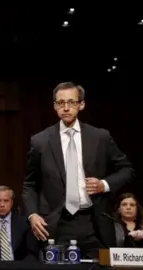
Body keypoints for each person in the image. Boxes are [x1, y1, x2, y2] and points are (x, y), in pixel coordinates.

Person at [22, 82, 135, 259]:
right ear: (54, 106)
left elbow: (127, 170)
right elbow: (30, 184)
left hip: (94, 224)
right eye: (60, 103)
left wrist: (103, 185)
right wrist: (32, 214)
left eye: (71, 102)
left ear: (81, 105)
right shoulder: (40, 141)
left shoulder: (100, 137)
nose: (65, 108)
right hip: (56, 224)